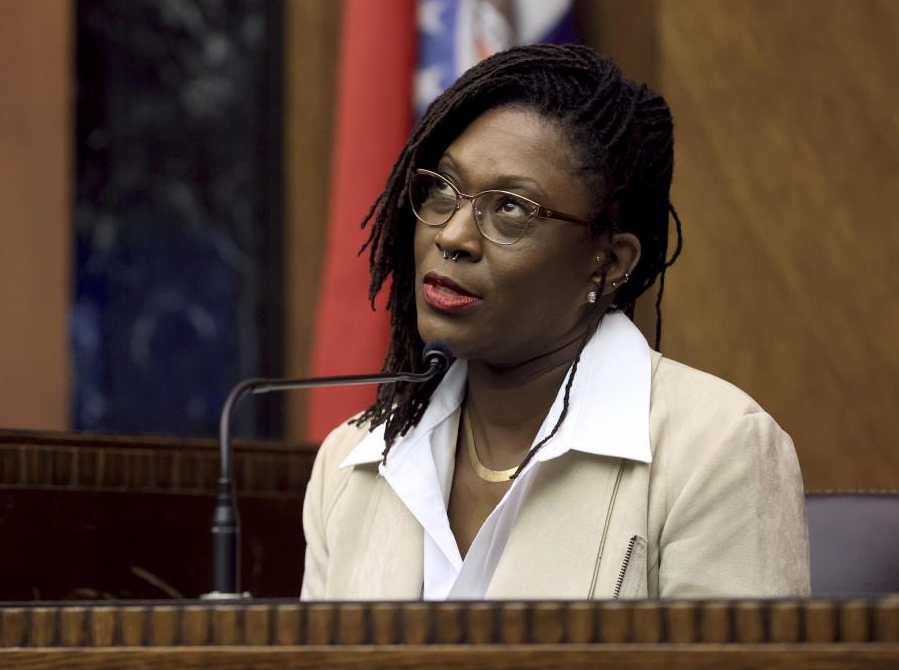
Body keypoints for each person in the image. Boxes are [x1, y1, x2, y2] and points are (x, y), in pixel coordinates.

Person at [300, 43, 810, 600]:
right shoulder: (352, 465)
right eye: (444, 189)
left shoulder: (716, 452)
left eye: (512, 208)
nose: (451, 236)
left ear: (608, 262)